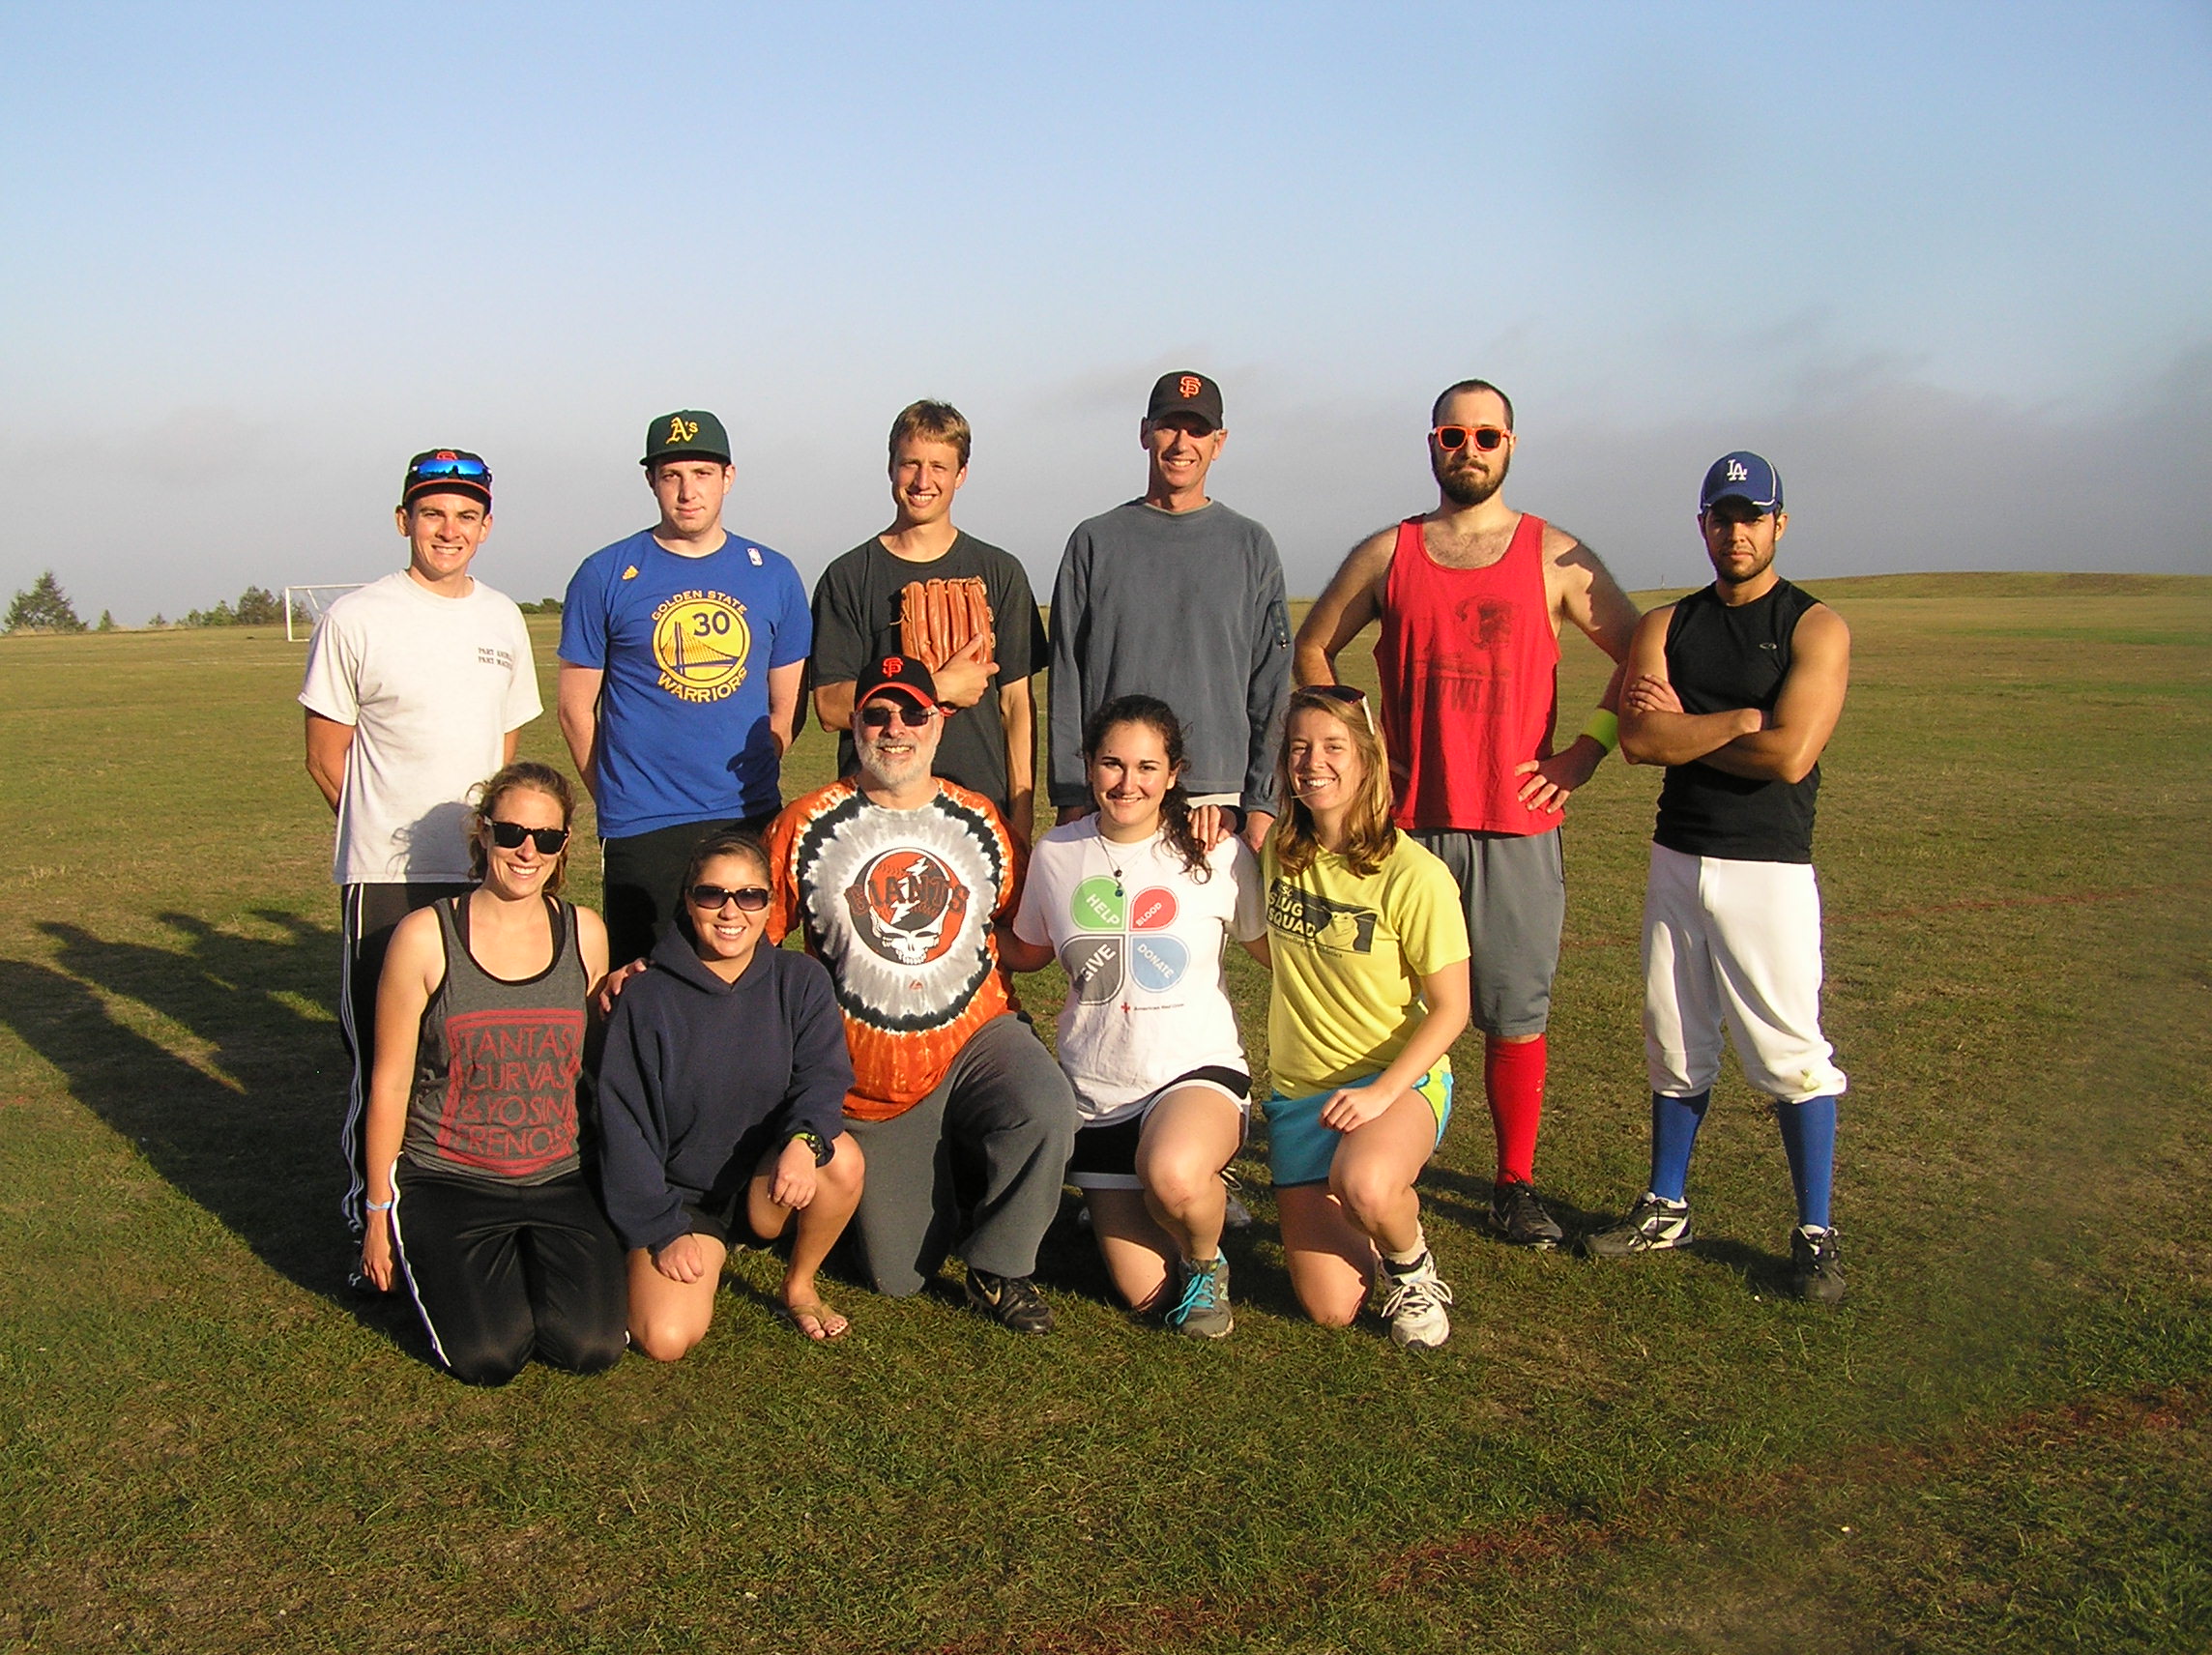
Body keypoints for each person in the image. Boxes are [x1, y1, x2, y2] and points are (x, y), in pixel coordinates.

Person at [1295, 379, 1642, 1249]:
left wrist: (1584, 753)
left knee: (1512, 1010)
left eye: (1487, 435)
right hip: (1406, 827)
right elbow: (1313, 644)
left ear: (1511, 445)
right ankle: (1377, 1167)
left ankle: (1512, 1184)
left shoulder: (1555, 556)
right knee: (1394, 1006)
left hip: (1516, 824)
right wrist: (1354, 741)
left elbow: (1645, 651)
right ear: (1433, 444)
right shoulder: (1390, 552)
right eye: (1454, 435)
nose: (1470, 449)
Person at [1586, 451, 1852, 1305]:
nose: (1736, 532)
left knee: (1789, 1050)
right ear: (1701, 524)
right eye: (1721, 516)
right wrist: (1740, 717)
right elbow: (1638, 742)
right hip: (1678, 853)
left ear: (1779, 524)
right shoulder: (1668, 626)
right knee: (1674, 1034)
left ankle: (1815, 1233)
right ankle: (1667, 1204)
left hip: (1768, 866)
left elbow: (1791, 754)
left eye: (1753, 516)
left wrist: (1693, 728)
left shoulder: (1815, 627)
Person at [764, 653, 1078, 1331]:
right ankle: (943, 1181)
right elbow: (750, 935)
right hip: (867, 1076)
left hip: (976, 1034)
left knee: (1046, 1105)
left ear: (938, 726)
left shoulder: (981, 821)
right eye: (878, 714)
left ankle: (1001, 1267)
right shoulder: (805, 824)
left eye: (914, 713)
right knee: (897, 1275)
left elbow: (1022, 938)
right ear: (855, 726)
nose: (895, 728)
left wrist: (1085, 937)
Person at [300, 449, 541, 1255]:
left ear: (487, 526)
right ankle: (372, 1220)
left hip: (482, 878)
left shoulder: (503, 619)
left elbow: (504, 747)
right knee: (383, 1055)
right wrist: (381, 830)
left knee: (465, 1053)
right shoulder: (357, 617)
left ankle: (450, 1212)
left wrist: (487, 846)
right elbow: (324, 754)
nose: (450, 530)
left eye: (467, 515)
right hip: (386, 881)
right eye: (433, 513)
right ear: (404, 520)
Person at [355, 762, 626, 1385]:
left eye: (547, 838)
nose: (527, 851)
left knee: (591, 1347)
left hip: (557, 1173)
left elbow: (587, 1062)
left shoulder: (584, 932)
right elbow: (391, 1082)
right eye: (510, 833)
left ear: (564, 848)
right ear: (483, 834)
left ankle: (528, 1258)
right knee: (489, 1357)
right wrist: (376, 1212)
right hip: (451, 1178)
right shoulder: (425, 938)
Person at [1003, 695, 1266, 1338]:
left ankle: (1206, 1257)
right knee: (1145, 1295)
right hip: (1096, 1095)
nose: (1129, 782)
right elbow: (1030, 951)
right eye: (1113, 764)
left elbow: (1277, 952)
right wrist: (952, 931)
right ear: (1089, 766)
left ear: (1174, 773)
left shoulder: (1217, 852)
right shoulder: (1057, 853)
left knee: (1173, 1173)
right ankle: (1188, 1201)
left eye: (1148, 767)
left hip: (1192, 1072)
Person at [1258, 685, 1471, 1349]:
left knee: (1368, 1183)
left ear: (1367, 758)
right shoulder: (1276, 854)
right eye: (1299, 748)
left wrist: (1382, 1094)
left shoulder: (1415, 874)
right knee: (1328, 1310)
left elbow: (1454, 1008)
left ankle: (1413, 1269)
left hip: (1393, 1082)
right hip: (1300, 1099)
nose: (1312, 763)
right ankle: (1363, 1218)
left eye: (1332, 747)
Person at [596, 828, 866, 1352]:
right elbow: (623, 1124)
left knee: (842, 1159)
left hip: (765, 1180)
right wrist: (662, 1228)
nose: (730, 911)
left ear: (769, 905)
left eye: (749, 896)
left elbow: (824, 1075)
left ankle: (799, 1283)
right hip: (683, 1197)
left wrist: (803, 1142)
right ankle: (679, 1250)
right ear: (688, 900)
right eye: (712, 894)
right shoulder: (647, 995)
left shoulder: (800, 980)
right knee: (665, 1338)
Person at [558, 410, 811, 965]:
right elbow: (576, 708)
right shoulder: (605, 573)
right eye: (672, 475)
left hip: (745, 815)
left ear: (729, 476)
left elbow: (787, 701)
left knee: (740, 976)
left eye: (702, 472)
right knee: (644, 979)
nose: (687, 490)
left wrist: (769, 757)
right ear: (651, 480)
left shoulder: (772, 573)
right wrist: (615, 796)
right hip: (642, 824)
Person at [1049, 371, 1291, 854]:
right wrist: (1073, 793)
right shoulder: (1095, 542)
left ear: (1219, 443)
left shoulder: (1250, 545)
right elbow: (1067, 676)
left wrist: (1262, 802)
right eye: (1168, 427)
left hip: (1218, 801)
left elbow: (1271, 684)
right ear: (1145, 432)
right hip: (1117, 790)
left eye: (1198, 430)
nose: (1182, 443)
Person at [809, 400, 1048, 840]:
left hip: (978, 809)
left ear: (961, 474)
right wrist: (937, 687)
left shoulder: (1000, 571)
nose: (923, 481)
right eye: (910, 464)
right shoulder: (848, 576)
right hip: (874, 813)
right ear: (890, 467)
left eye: (939, 466)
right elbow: (827, 707)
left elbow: (1016, 706)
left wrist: (1021, 817)